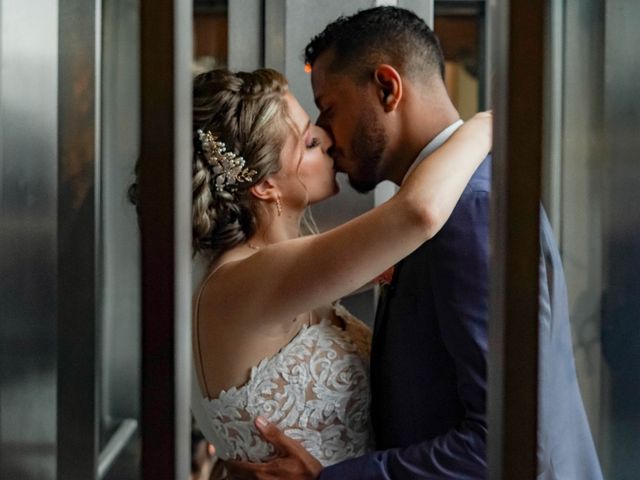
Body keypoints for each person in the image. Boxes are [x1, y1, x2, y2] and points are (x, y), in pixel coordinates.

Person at [225, 6, 603, 480]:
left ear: (387, 87)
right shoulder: (441, 201)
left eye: (329, 109)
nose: (324, 134)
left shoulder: (470, 209)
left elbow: (509, 443)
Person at [175, 64, 492, 478]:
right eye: (307, 141)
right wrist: (486, 124)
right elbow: (419, 212)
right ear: (265, 186)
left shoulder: (277, 272)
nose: (325, 138)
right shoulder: (251, 278)